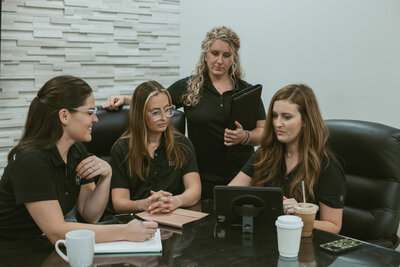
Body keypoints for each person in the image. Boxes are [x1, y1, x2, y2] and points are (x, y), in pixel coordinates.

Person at [102, 26, 266, 199]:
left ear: (234, 58)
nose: (220, 60)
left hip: (242, 174)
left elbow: (263, 132)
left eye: (226, 55)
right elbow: (156, 100)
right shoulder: (189, 87)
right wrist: (125, 99)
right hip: (203, 176)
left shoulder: (247, 91)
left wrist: (245, 137)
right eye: (214, 53)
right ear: (205, 54)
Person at [0, 76, 158, 243]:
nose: (96, 119)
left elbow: (90, 215)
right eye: (90, 112)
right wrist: (125, 231)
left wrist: (106, 177)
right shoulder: (32, 161)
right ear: (64, 116)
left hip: (41, 245)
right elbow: (56, 231)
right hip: (11, 250)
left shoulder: (76, 150)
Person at [229, 84, 346, 234]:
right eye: (275, 115)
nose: (278, 123)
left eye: (287, 117)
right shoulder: (264, 153)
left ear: (305, 121)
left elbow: (333, 226)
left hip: (303, 245)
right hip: (266, 239)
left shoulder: (326, 165)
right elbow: (230, 195)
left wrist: (299, 216)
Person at [110, 81, 201, 214]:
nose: (164, 118)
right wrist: (144, 204)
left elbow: (195, 191)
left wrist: (175, 201)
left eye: (167, 109)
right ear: (140, 114)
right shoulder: (121, 149)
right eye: (155, 112)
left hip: (172, 216)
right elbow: (119, 203)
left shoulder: (182, 144)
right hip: (135, 221)